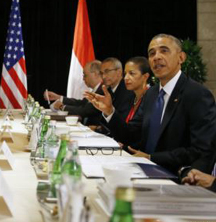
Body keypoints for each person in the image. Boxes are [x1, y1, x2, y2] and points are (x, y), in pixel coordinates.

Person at [87, 34, 216, 174]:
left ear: (181, 58)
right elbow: (132, 135)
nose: (157, 57)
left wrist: (151, 158)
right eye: (152, 53)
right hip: (142, 170)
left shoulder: (197, 94)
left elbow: (200, 150)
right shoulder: (151, 94)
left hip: (176, 175)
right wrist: (109, 111)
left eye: (164, 51)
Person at [85, 56, 150, 148]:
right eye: (126, 73)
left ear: (145, 77)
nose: (126, 78)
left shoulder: (150, 98)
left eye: (132, 73)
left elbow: (140, 135)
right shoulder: (133, 97)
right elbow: (127, 130)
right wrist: (108, 111)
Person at [44, 60, 103, 125]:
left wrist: (62, 107)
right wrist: (58, 97)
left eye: (85, 75)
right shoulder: (96, 90)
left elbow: (85, 111)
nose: (83, 79)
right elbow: (81, 103)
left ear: (94, 74)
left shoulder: (102, 91)